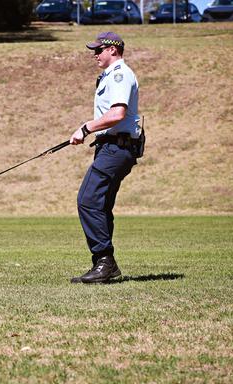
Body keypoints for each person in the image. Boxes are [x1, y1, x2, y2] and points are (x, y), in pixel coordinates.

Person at [68, 32, 144, 284]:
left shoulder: (120, 74)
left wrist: (86, 127)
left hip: (117, 148)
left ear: (113, 49)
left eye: (99, 49)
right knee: (99, 204)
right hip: (112, 146)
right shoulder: (111, 76)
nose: (95, 54)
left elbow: (117, 113)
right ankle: (104, 265)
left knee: (88, 200)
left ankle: (104, 261)